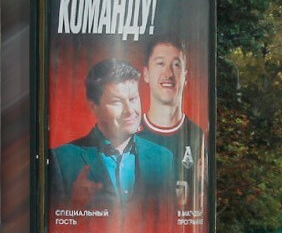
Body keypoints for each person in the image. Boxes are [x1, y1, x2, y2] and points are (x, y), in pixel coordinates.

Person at [51, 59, 176, 212]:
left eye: (133, 99)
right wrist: (74, 202)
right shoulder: (63, 160)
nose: (130, 110)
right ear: (94, 107)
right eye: (117, 102)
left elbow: (169, 225)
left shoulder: (162, 158)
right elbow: (56, 223)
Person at [139, 35, 207, 217]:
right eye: (160, 63)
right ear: (146, 73)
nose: (168, 73)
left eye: (176, 65)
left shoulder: (198, 136)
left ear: (185, 77)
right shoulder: (128, 135)